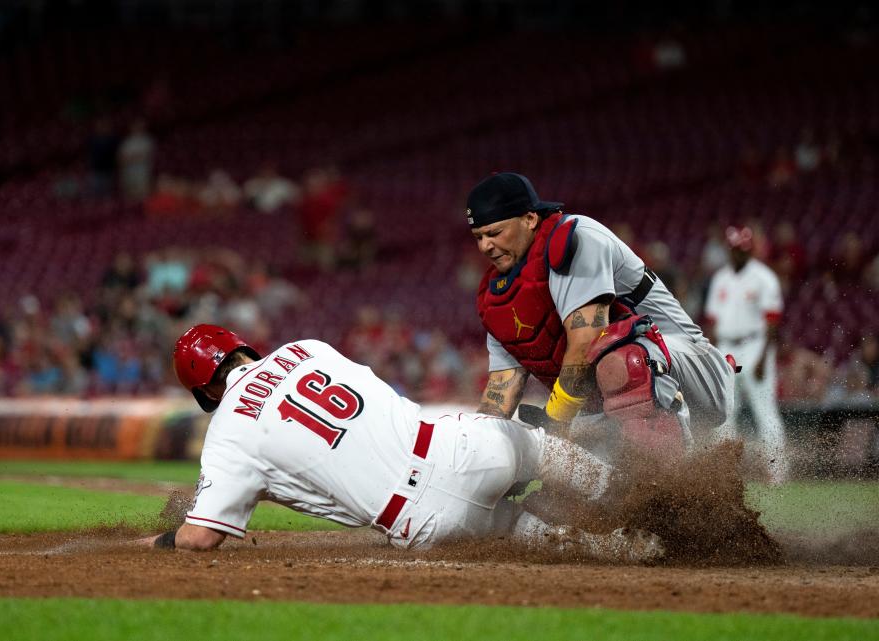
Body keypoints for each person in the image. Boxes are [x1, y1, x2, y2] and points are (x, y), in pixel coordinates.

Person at [136, 324, 664, 561]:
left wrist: (163, 541)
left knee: (527, 533)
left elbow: (200, 539)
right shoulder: (307, 347)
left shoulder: (227, 432)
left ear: (204, 390)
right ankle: (659, 504)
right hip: (456, 443)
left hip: (424, 516)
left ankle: (633, 551)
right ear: (241, 348)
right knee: (544, 450)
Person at [466, 172, 736, 460]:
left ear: (530, 219)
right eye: (478, 237)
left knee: (622, 361)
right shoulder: (500, 298)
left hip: (695, 369)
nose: (485, 246)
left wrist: (556, 420)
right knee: (558, 494)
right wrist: (480, 452)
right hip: (609, 410)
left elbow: (587, 341)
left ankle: (682, 477)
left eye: (494, 233)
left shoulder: (574, 238)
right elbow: (501, 389)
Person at [704, 226, 789, 484]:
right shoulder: (721, 278)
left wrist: (764, 358)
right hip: (727, 348)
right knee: (725, 412)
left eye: (742, 250)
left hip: (755, 346)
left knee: (764, 410)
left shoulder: (764, 277)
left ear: (750, 250)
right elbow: (712, 321)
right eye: (734, 250)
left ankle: (778, 474)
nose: (738, 255)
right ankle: (726, 473)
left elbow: (773, 322)